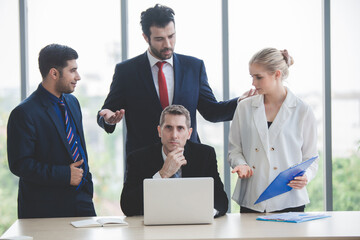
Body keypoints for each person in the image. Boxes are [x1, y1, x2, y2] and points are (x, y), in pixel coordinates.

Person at [97, 4, 255, 156]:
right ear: (146, 37)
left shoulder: (194, 67)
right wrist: (108, 120)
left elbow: (211, 111)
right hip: (143, 164)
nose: (167, 44)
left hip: (188, 160)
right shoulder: (126, 71)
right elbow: (107, 112)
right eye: (159, 39)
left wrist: (241, 102)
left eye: (171, 36)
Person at [7, 44, 96, 218]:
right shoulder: (24, 113)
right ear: (54, 73)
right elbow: (20, 164)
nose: (78, 77)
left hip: (82, 200)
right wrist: (64, 174)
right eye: (72, 71)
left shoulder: (72, 102)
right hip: (45, 208)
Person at [228, 48, 318, 213]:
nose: (253, 83)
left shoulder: (302, 110)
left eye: (259, 77)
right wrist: (241, 164)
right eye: (252, 77)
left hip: (289, 199)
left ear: (277, 74)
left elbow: (311, 158)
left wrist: (306, 177)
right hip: (252, 198)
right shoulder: (244, 107)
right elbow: (234, 149)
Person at [120, 105, 228, 217]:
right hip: (155, 226)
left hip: (193, 225)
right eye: (168, 128)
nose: (174, 136)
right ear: (159, 131)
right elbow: (128, 207)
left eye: (180, 128)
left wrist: (203, 214)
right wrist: (162, 175)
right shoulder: (138, 159)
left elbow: (221, 202)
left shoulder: (205, 155)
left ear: (189, 133)